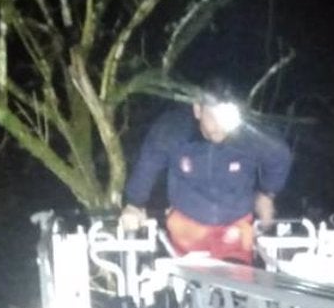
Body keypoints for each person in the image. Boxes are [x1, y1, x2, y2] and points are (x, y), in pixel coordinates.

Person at [119, 81, 291, 264]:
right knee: (187, 286)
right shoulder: (173, 130)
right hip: (187, 227)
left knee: (236, 285)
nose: (220, 125)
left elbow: (279, 155)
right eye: (214, 116)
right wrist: (134, 203)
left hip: (234, 227)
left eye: (227, 117)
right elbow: (148, 163)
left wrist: (267, 193)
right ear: (198, 110)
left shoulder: (250, 136)